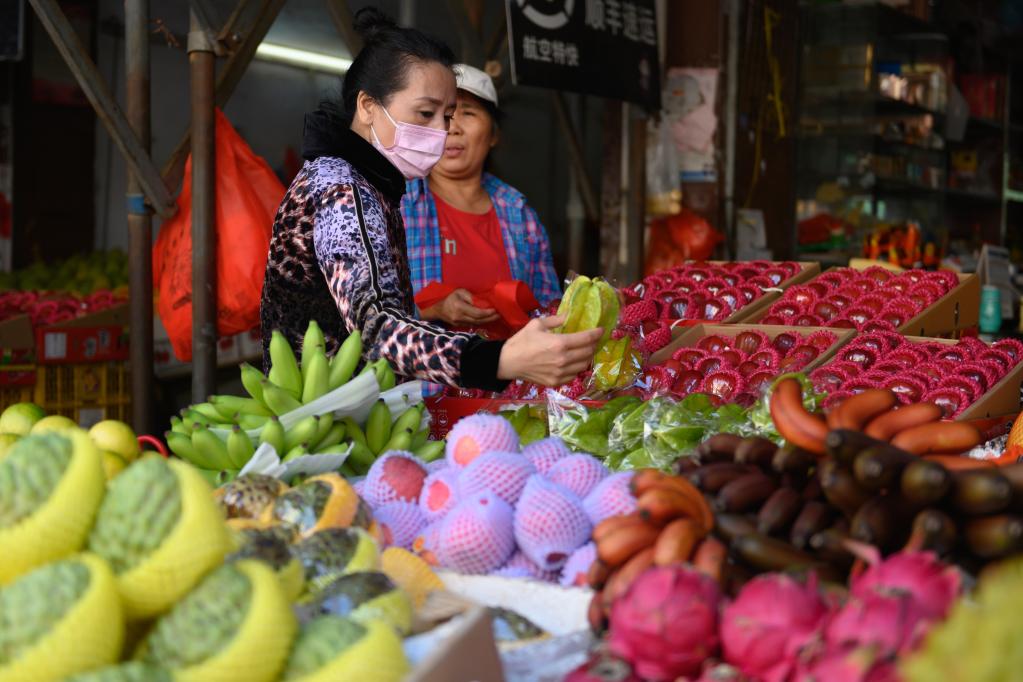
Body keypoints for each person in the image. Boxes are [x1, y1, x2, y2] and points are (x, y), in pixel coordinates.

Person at [259, 8, 599, 393]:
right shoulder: (342, 190)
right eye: (425, 113)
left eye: (448, 114)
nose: (443, 130)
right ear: (368, 106)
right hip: (322, 419)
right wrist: (498, 360)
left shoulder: (374, 185)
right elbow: (374, 329)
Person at [402, 63, 561, 333]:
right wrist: (432, 309)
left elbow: (549, 309)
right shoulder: (397, 203)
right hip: (424, 374)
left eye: (468, 113)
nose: (452, 128)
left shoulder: (520, 215)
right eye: (442, 114)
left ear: (494, 135)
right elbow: (363, 310)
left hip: (512, 372)